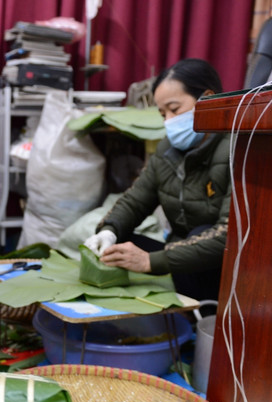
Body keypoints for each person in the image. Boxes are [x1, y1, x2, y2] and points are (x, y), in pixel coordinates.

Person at [84, 58, 230, 303]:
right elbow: (135, 202)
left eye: (175, 109)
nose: (168, 121)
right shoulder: (166, 151)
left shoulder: (236, 150)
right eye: (163, 113)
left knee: (200, 232)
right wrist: (108, 231)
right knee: (118, 246)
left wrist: (149, 261)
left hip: (218, 265)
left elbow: (228, 236)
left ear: (208, 98)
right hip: (180, 257)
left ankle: (201, 318)